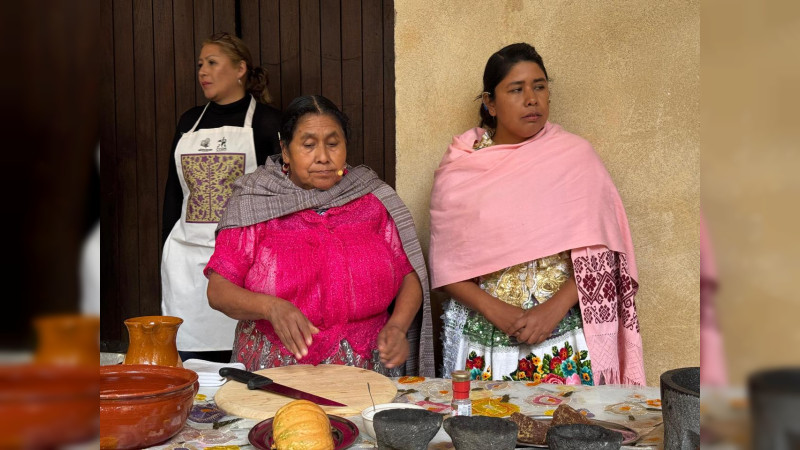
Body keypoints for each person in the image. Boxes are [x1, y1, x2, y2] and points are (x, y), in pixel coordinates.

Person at [430, 43, 645, 385]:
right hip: (486, 338)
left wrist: (554, 309)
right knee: (488, 432)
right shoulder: (462, 169)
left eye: (540, 86)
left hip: (563, 338)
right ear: (490, 103)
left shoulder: (575, 157)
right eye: (516, 89)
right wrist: (496, 311)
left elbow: (604, 250)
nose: (532, 99)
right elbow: (446, 264)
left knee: (567, 429)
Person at [203, 95, 434, 376]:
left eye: (333, 144)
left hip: (367, 368)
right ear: (285, 151)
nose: (323, 157)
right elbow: (218, 291)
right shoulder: (255, 201)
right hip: (275, 373)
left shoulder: (373, 199)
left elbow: (410, 273)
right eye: (309, 145)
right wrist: (271, 307)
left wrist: (397, 326)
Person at [161, 32, 282, 363]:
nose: (203, 71)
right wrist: (166, 247)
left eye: (212, 63)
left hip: (242, 266)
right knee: (190, 365)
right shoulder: (190, 122)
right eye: (200, 64)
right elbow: (175, 192)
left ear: (240, 68)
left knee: (242, 364)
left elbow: (284, 197)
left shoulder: (268, 122)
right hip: (187, 264)